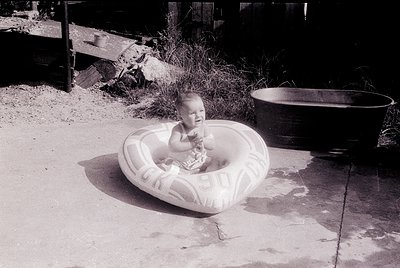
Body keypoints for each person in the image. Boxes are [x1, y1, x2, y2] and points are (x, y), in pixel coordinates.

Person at [162, 91, 215, 174]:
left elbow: (212, 145)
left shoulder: (204, 127)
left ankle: (204, 173)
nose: (198, 115)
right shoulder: (178, 129)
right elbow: (172, 146)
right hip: (181, 163)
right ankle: (187, 174)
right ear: (181, 116)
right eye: (192, 113)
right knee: (171, 168)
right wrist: (192, 144)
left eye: (201, 110)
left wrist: (203, 141)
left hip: (199, 160)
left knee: (214, 162)